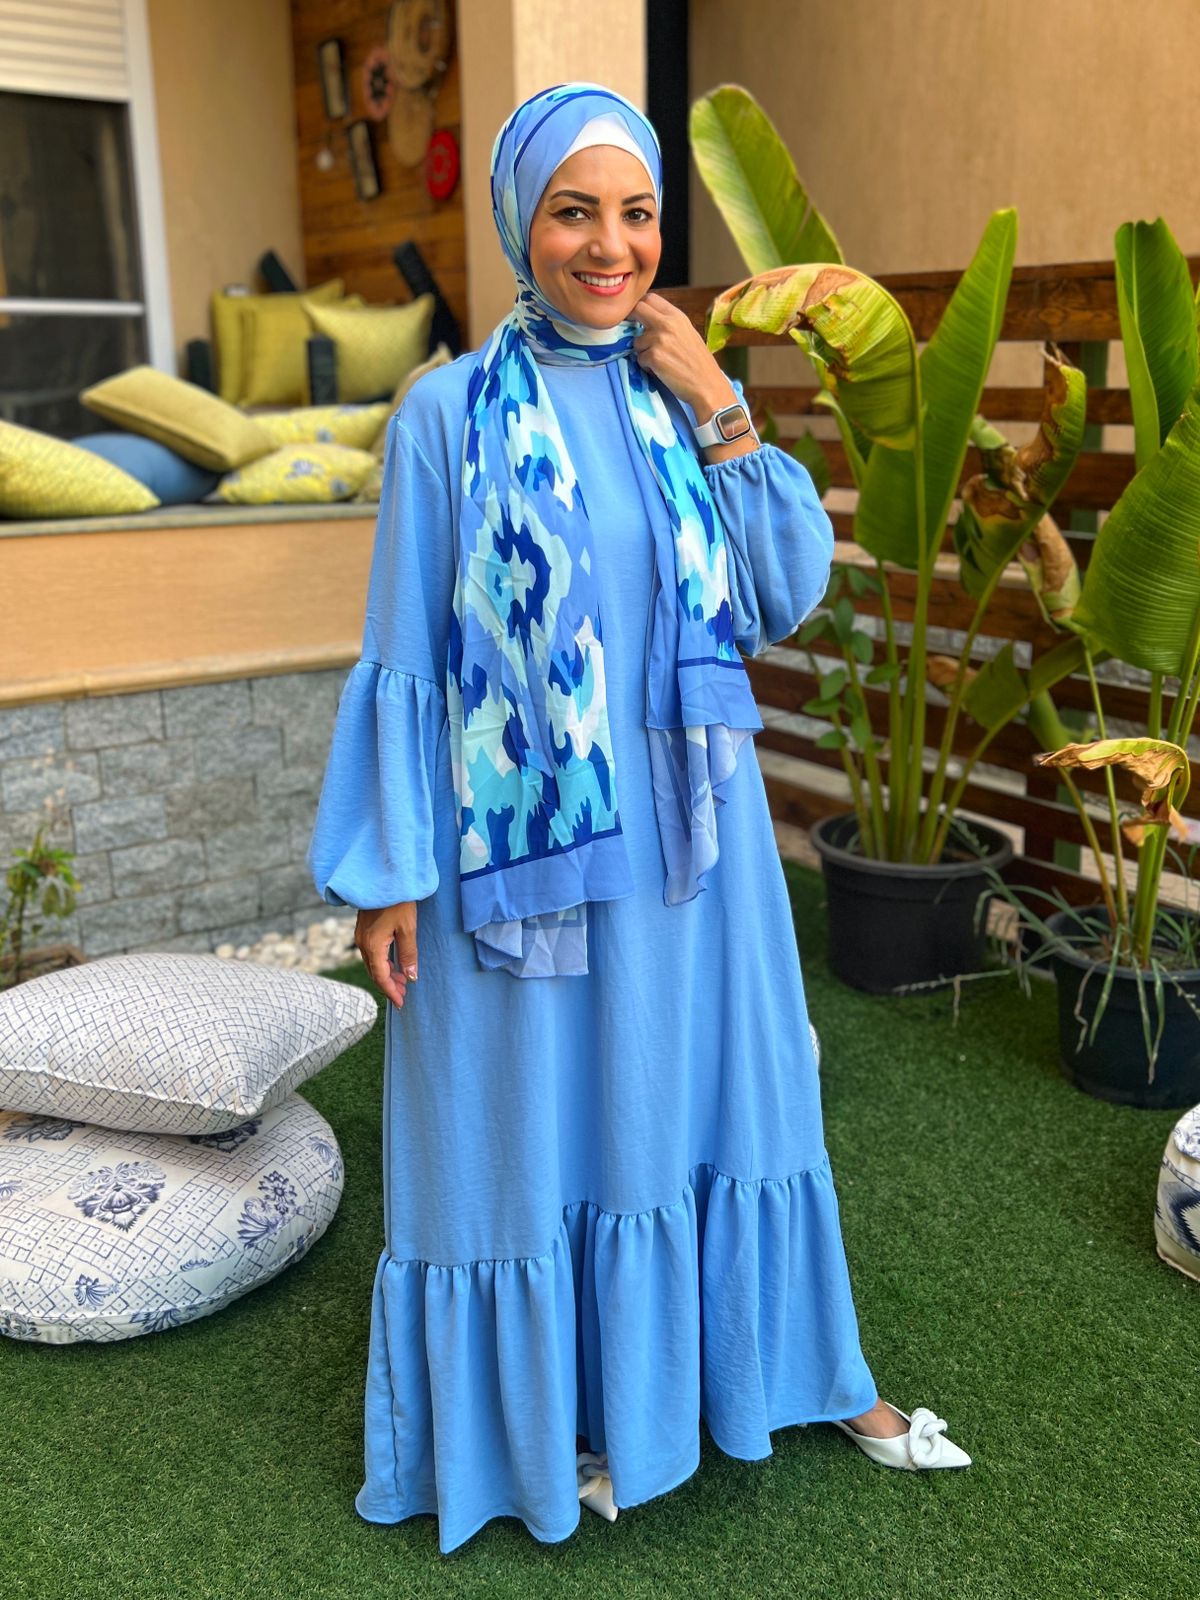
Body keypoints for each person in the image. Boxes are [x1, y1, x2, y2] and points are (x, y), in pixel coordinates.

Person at [306, 80, 971, 1557]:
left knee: (721, 1102)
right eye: (573, 212)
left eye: (637, 214)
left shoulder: (682, 397)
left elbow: (780, 594)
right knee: (526, 1126)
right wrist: (390, 873)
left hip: (693, 848)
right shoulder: (446, 416)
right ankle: (553, 1420)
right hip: (519, 856)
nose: (610, 247)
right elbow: (408, 656)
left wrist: (720, 403)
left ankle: (790, 1375)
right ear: (518, 225)